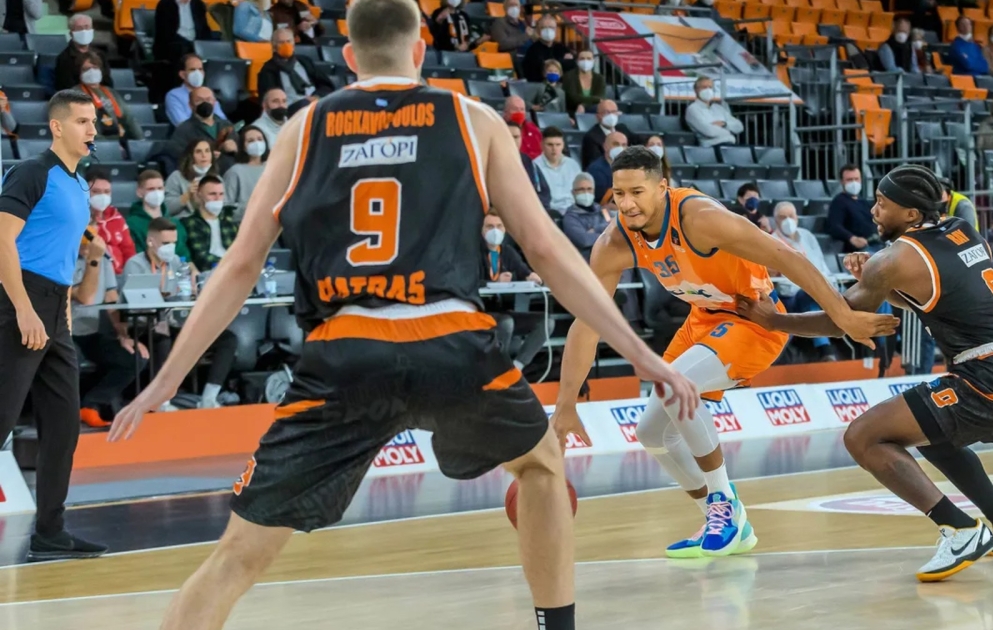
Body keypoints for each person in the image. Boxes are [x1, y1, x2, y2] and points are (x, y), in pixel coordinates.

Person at [110, 4, 701, 630]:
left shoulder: (304, 127)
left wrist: (166, 380)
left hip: (344, 353)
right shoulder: (473, 119)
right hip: (451, 343)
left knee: (237, 556)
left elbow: (239, 266)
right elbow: (548, 252)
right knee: (540, 465)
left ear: (349, 56)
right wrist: (643, 356)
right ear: (420, 51)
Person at [553, 147, 897, 559]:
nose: (626, 204)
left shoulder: (700, 218)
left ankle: (724, 506)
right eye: (619, 194)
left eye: (637, 192)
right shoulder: (614, 242)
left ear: (662, 188)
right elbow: (587, 322)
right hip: (703, 320)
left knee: (675, 386)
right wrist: (565, 404)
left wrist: (842, 316)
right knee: (650, 433)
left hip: (753, 318)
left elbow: (788, 257)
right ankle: (725, 520)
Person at [737, 164, 993, 582]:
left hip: (990, 376)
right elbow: (931, 289)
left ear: (911, 213)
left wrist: (774, 321)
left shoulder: (895, 259)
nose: (873, 210)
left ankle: (960, 530)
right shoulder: (961, 230)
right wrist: (878, 281)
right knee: (932, 435)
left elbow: (841, 319)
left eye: (882, 203)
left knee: (863, 437)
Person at [0, 89, 108, 561]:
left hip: (55, 309)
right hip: (18, 302)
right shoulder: (32, 172)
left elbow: (59, 254)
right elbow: (2, 240)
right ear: (57, 126)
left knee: (63, 426)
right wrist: (23, 308)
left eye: (93, 122)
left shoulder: (79, 183)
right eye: (82, 122)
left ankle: (50, 533)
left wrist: (61, 309)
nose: (91, 130)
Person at [124, 217, 238, 410]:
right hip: (143, 326)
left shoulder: (176, 262)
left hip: (171, 323)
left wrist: (195, 289)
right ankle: (162, 401)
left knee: (227, 338)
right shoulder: (135, 264)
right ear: (151, 242)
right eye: (166, 243)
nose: (171, 248)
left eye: (174, 243)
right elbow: (136, 302)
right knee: (162, 338)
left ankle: (209, 397)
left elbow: (183, 291)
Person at [71, 231, 146, 426]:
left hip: (92, 332)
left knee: (133, 358)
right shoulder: (65, 257)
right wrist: (93, 259)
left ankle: (92, 404)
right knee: (70, 364)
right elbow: (85, 297)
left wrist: (123, 335)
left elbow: (111, 298)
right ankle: (66, 414)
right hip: (65, 333)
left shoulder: (104, 258)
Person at [771, 201, 838, 361]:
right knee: (808, 294)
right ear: (776, 221)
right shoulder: (771, 241)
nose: (788, 220)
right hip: (794, 293)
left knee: (874, 291)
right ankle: (825, 349)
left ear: (797, 218)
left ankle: (885, 346)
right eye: (783, 217)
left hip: (823, 288)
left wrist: (830, 284)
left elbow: (821, 264)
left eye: (791, 216)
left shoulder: (807, 236)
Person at [481, 211, 547, 371]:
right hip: (480, 312)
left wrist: (532, 276)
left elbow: (524, 270)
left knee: (545, 323)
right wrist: (495, 283)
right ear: (481, 230)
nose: (495, 231)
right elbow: (467, 281)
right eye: (490, 226)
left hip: (502, 311)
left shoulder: (507, 251)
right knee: (506, 323)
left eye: (499, 226)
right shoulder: (471, 253)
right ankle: (498, 369)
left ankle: (516, 368)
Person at [257, 28, 335, 111]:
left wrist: (317, 96)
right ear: (274, 46)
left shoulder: (305, 61)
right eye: (281, 42)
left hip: (315, 103)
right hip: (290, 108)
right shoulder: (268, 69)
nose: (286, 45)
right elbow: (270, 98)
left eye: (289, 41)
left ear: (294, 44)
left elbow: (326, 85)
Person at [77, 52, 142, 141]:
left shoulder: (111, 92)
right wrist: (108, 145)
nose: (91, 72)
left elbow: (129, 118)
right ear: (80, 72)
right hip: (97, 143)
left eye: (95, 68)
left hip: (120, 139)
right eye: (86, 69)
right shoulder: (75, 94)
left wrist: (140, 140)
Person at [180, 176, 239, 273]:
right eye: (212, 194)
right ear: (199, 195)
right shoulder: (191, 223)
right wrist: (230, 265)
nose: (217, 198)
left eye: (221, 194)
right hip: (210, 272)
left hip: (234, 269)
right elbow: (201, 257)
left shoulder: (229, 220)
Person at [127, 170, 189, 257]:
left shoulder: (175, 223)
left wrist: (186, 264)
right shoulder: (132, 224)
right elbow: (136, 255)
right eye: (151, 189)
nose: (157, 193)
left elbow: (184, 254)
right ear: (139, 192)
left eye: (160, 188)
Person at [169, 88, 238, 167]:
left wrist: (236, 149)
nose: (205, 103)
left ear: (214, 102)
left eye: (208, 99)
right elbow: (177, 156)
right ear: (190, 105)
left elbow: (243, 155)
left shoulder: (226, 125)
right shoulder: (183, 130)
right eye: (199, 100)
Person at [86, 169, 135, 274]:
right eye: (96, 191)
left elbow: (128, 250)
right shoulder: (78, 220)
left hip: (120, 275)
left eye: (106, 192)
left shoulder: (117, 218)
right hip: (93, 274)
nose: (102, 196)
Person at [165, 55, 231, 127]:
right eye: (192, 70)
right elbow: (182, 123)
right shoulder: (174, 96)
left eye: (200, 69)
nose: (197, 73)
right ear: (182, 74)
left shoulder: (208, 93)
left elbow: (222, 121)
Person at [223, 126, 269, 222]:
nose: (257, 143)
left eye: (260, 139)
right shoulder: (235, 172)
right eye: (250, 141)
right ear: (243, 146)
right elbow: (226, 206)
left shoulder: (272, 168)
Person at [55, 14, 112, 91]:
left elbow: (107, 82)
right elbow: (65, 86)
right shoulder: (64, 58)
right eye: (79, 28)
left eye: (87, 27)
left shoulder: (100, 55)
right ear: (71, 33)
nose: (84, 31)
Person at [826, 164, 875, 253]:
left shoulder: (863, 201)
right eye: (849, 180)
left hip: (875, 244)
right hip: (858, 250)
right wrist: (852, 238)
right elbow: (834, 226)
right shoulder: (839, 202)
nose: (854, 183)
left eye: (856, 179)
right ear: (842, 181)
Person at [533, 126, 581, 215]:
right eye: (550, 145)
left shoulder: (573, 165)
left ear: (563, 145)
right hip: (548, 212)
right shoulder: (535, 166)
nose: (554, 149)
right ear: (542, 145)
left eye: (558, 145)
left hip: (573, 211)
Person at [166, 138, 219, 216]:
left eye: (207, 151)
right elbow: (166, 209)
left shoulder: (217, 179)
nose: (204, 155)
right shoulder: (176, 177)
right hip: (182, 221)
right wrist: (187, 195)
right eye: (198, 152)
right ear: (191, 156)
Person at [685, 77, 744, 148]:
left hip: (730, 144)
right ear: (696, 90)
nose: (708, 90)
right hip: (712, 146)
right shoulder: (693, 109)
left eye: (710, 87)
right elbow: (709, 132)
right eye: (704, 87)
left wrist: (724, 124)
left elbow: (739, 127)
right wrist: (729, 131)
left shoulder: (718, 108)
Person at [561, 172, 608, 259]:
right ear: (573, 192)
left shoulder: (602, 210)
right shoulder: (570, 218)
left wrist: (595, 230)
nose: (586, 192)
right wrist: (608, 235)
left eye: (589, 189)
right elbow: (585, 241)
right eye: (581, 189)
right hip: (587, 260)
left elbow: (614, 227)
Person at [581, 99, 637, 170]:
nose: (611, 115)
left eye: (614, 112)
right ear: (597, 116)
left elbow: (639, 141)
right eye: (606, 112)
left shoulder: (622, 128)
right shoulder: (591, 137)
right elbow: (594, 164)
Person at [507, 121, 552, 210]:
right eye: (508, 137)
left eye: (516, 137)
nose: (512, 141)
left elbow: (543, 192)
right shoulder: (490, 161)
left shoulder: (528, 161)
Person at [521, 15, 574, 83]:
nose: (548, 30)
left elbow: (571, 65)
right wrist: (561, 62)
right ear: (538, 31)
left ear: (556, 30)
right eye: (544, 28)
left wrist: (549, 64)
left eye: (551, 27)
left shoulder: (561, 47)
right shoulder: (533, 50)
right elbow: (536, 70)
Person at [586, 130, 627, 201]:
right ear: (605, 146)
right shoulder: (596, 170)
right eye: (616, 144)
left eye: (623, 145)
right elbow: (602, 201)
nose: (620, 148)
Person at [563, 49, 605, 115]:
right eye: (582, 58)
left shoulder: (599, 78)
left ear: (593, 61)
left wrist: (583, 105)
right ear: (577, 61)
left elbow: (600, 97)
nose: (585, 61)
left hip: (594, 111)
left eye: (589, 58)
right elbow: (573, 98)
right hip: (572, 111)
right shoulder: (569, 76)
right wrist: (595, 100)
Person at [504, 95, 543, 160]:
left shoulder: (533, 129)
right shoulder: (499, 129)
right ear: (506, 112)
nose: (519, 112)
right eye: (515, 109)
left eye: (522, 109)